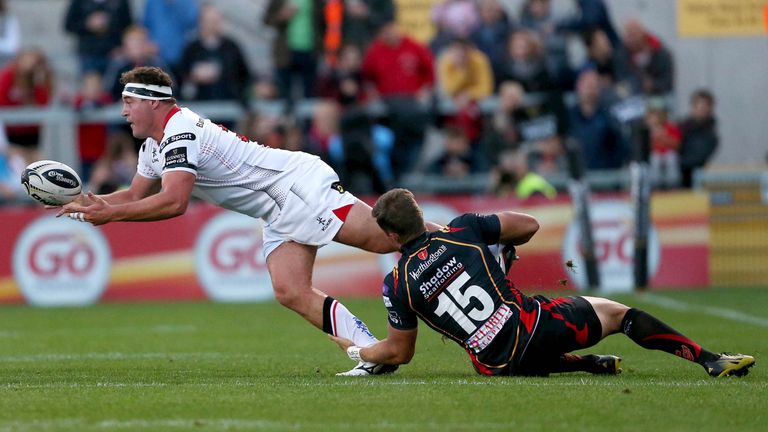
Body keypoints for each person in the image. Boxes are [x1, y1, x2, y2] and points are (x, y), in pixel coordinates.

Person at [57, 66, 426, 376]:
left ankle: (465, 239)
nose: (123, 111)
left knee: (388, 239)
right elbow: (134, 195)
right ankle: (369, 352)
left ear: (153, 101)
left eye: (129, 101)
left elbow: (174, 202)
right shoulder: (154, 145)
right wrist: (86, 203)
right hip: (275, 207)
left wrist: (111, 214)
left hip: (296, 188)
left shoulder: (180, 132)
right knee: (290, 290)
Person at [331, 188, 755, 378]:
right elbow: (529, 225)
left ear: (389, 236)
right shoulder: (462, 230)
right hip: (534, 329)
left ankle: (591, 364)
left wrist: (359, 348)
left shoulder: (397, 282)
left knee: (506, 348)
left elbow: (400, 353)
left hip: (492, 365)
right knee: (618, 313)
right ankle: (709, 359)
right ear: (421, 215)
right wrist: (503, 245)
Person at [678, 89, 719, 189]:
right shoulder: (680, 127)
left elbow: (696, 159)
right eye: (698, 105)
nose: (701, 109)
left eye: (705, 106)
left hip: (690, 180)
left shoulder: (710, 135)